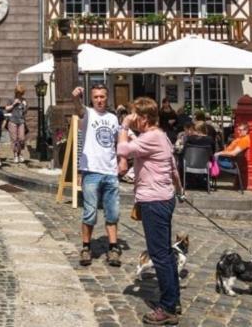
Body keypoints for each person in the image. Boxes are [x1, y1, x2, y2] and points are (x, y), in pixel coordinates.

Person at [117, 98, 185, 325]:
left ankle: (167, 308)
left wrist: (125, 125)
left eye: (135, 114)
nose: (132, 117)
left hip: (154, 201)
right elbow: (173, 167)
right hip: (164, 197)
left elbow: (123, 149)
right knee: (165, 253)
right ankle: (173, 300)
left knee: (159, 256)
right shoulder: (161, 135)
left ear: (144, 118)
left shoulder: (151, 137)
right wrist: (179, 190)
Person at [74, 84, 122, 268]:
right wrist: (76, 98)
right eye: (96, 97)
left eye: (102, 96)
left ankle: (113, 247)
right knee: (90, 212)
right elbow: (78, 109)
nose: (99, 100)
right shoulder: (87, 114)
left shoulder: (112, 118)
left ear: (107, 98)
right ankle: (86, 247)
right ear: (92, 99)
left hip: (110, 171)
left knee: (112, 212)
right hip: (92, 171)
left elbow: (117, 141)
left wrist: (122, 160)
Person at [216, 123, 250, 189]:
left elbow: (234, 153)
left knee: (208, 161)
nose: (238, 131)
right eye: (238, 130)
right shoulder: (240, 138)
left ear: (246, 130)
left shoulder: (245, 140)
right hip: (228, 159)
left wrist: (219, 153)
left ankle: (203, 182)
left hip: (231, 162)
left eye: (240, 130)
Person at [5, 85, 28, 164]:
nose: (20, 95)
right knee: (14, 139)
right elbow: (6, 109)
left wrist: (25, 105)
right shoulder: (11, 99)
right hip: (12, 121)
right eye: (19, 93)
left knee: (21, 138)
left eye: (22, 94)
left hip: (21, 121)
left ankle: (20, 153)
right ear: (16, 92)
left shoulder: (24, 100)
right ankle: (15, 155)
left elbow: (25, 112)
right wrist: (14, 104)